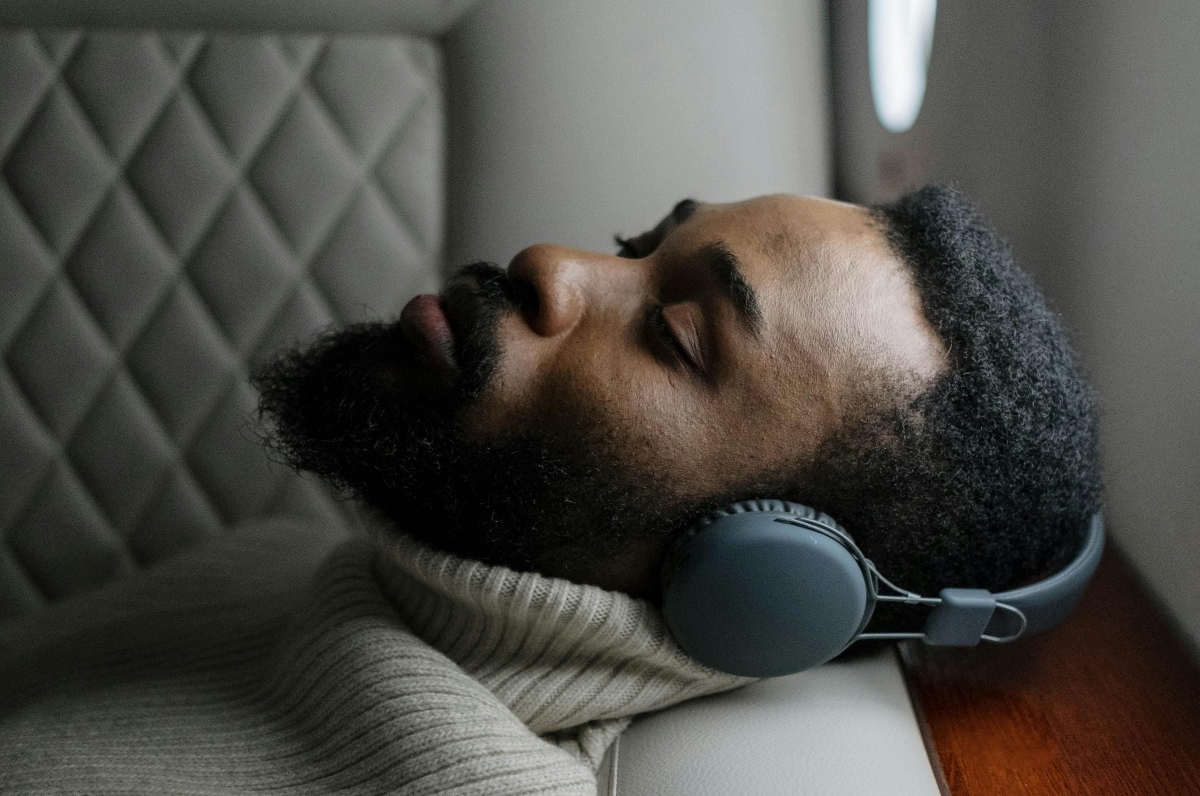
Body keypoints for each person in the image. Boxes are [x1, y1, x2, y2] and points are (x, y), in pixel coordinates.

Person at [0, 185, 1101, 794]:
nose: (550, 260)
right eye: (640, 244)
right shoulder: (271, 563)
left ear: (773, 578)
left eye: (673, 332)